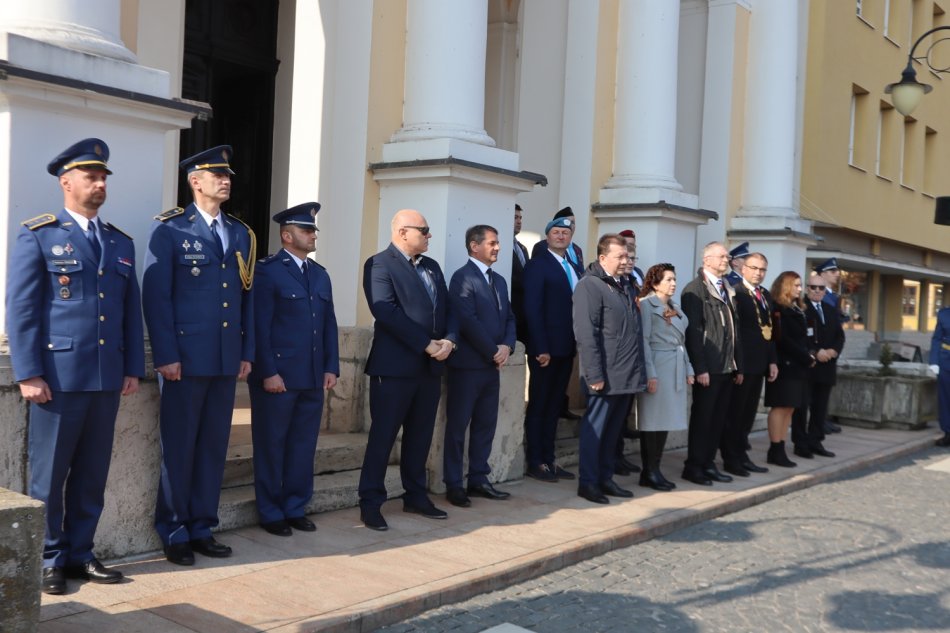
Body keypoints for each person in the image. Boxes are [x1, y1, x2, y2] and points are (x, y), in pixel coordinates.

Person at [6, 138, 144, 594]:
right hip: (57, 379)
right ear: (67, 182)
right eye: (91, 176)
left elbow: (128, 310)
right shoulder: (40, 233)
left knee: (92, 473)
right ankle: (48, 557)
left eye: (103, 177)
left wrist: (132, 367)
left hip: (105, 378)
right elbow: (22, 308)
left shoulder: (118, 242)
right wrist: (27, 372)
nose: (100, 184)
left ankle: (80, 554)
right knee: (50, 473)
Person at [143, 145, 256, 565]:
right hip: (184, 361)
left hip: (225, 359)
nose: (225, 180)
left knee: (213, 445)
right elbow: (157, 299)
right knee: (179, 448)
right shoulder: (171, 230)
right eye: (216, 175)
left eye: (228, 175)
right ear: (195, 181)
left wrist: (246, 351)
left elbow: (245, 299)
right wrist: (166, 355)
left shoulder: (241, 232)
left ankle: (202, 525)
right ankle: (173, 530)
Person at [359, 209, 455, 531]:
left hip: (430, 368)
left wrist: (450, 341)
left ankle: (415, 495)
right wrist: (425, 343)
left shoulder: (432, 267)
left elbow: (448, 308)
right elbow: (385, 310)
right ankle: (371, 502)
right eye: (424, 230)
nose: (429, 236)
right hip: (394, 369)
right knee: (383, 437)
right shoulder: (379, 264)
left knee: (420, 436)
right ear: (402, 232)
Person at [248, 203, 339, 536]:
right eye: (306, 230)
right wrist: (268, 372)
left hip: (312, 376)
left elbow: (328, 324)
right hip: (279, 377)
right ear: (287, 235)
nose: (313, 234)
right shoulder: (268, 272)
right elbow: (260, 327)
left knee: (303, 445)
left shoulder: (319, 274)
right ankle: (271, 510)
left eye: (313, 229)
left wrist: (331, 366)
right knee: (272, 445)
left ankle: (295, 505)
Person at [443, 225, 517, 508]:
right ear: (474, 246)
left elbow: (510, 317)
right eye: (492, 243)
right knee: (458, 426)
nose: (497, 247)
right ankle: (453, 483)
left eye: (498, 243)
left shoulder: (498, 280)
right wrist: (492, 351)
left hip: (491, 366)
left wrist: (507, 347)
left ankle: (478, 479)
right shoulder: (462, 278)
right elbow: (466, 320)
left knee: (486, 424)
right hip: (467, 367)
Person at [572, 234, 646, 503]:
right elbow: (585, 333)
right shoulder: (590, 286)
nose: (626, 261)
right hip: (604, 373)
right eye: (621, 256)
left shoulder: (624, 284)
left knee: (613, 433)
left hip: (626, 373)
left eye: (628, 256)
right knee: (596, 432)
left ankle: (606, 478)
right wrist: (594, 374)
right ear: (603, 258)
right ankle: (588, 482)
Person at [680, 242, 743, 486]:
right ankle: (694, 466)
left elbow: (734, 331)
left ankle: (708, 463)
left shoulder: (727, 288)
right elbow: (694, 333)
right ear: (706, 260)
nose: (726, 260)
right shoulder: (694, 290)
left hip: (727, 366)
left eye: (727, 256)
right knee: (703, 419)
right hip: (709, 368)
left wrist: (738, 364)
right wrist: (701, 368)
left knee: (718, 420)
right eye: (721, 256)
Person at [522, 216, 579, 482]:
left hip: (567, 348)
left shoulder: (572, 266)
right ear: (547, 237)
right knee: (539, 404)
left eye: (565, 232)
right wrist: (540, 347)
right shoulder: (538, 265)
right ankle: (535, 461)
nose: (560, 236)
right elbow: (532, 309)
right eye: (555, 232)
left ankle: (549, 458)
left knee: (555, 405)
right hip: (545, 350)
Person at [637, 263, 694, 491]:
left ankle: (655, 468)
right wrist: (650, 374)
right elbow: (644, 341)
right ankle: (648, 471)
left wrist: (689, 368)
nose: (673, 283)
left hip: (675, 367)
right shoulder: (646, 305)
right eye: (668, 279)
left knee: (665, 421)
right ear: (654, 282)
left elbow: (681, 341)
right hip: (658, 366)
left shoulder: (675, 307)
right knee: (652, 420)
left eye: (674, 279)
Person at [721, 252, 777, 476]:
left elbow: (770, 330)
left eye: (762, 269)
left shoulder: (764, 294)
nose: (758, 273)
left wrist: (772, 360)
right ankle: (731, 458)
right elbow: (735, 333)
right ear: (743, 269)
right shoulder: (737, 293)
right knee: (736, 414)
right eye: (754, 268)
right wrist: (739, 365)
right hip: (743, 365)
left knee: (748, 415)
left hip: (760, 364)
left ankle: (742, 454)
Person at [764, 271, 815, 467]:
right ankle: (775, 449)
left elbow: (804, 337)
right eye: (796, 285)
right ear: (785, 286)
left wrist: (809, 353)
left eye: (800, 285)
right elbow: (781, 338)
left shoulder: (797, 308)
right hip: (784, 364)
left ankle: (781, 446)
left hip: (798, 365)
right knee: (780, 406)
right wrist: (805, 356)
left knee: (790, 408)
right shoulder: (777, 308)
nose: (800, 289)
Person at [792, 273, 844, 459]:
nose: (817, 291)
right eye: (813, 287)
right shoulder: (801, 308)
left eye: (821, 288)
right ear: (807, 289)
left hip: (827, 366)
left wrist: (833, 351)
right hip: (808, 365)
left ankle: (816, 441)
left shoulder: (830, 309)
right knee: (802, 406)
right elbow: (800, 336)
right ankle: (800, 443)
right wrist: (815, 351)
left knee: (820, 408)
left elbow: (840, 335)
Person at [814, 257, 846, 433]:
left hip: (832, 346)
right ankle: (819, 421)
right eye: (833, 271)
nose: (837, 274)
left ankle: (823, 419)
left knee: (826, 387)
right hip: (821, 348)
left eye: (837, 271)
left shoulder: (833, 295)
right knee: (818, 388)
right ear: (823, 274)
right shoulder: (821, 295)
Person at [531, 206, 584, 277]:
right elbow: (536, 271)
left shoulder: (577, 249)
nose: (571, 225)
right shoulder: (542, 246)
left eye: (573, 222)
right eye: (568, 222)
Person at [929, 306, 950, 447]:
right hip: (945, 360)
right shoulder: (944, 314)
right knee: (945, 398)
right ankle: (948, 432)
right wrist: (934, 361)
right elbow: (937, 338)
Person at [511, 204, 530, 344]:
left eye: (520, 218)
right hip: (511, 311)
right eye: (515, 217)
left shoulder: (522, 248)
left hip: (524, 313)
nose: (519, 221)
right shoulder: (501, 247)